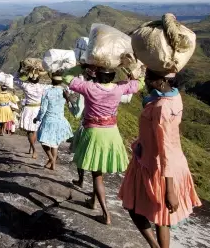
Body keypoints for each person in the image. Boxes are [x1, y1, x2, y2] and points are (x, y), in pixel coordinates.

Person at [118, 69, 201, 248]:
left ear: (163, 80)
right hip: (162, 163)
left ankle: (155, 246)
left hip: (156, 168)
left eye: (150, 77)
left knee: (133, 208)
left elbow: (165, 149)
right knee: (161, 217)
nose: (146, 80)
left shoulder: (161, 108)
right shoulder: (174, 97)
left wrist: (169, 189)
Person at [63, 66, 144, 225]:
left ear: (96, 74)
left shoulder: (88, 87)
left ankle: (106, 214)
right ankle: (93, 201)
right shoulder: (119, 88)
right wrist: (136, 72)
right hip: (112, 133)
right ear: (113, 75)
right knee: (99, 173)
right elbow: (139, 84)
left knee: (97, 176)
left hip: (94, 133)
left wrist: (83, 66)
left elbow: (66, 77)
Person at [65, 64, 97, 188]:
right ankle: (96, 192)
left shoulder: (86, 91)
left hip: (87, 127)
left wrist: (68, 100)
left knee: (80, 154)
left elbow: (77, 113)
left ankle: (81, 180)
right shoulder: (110, 89)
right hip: (107, 129)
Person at [33, 72, 73, 170]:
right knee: (54, 143)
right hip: (60, 120)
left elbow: (43, 109)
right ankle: (53, 165)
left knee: (44, 142)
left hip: (49, 120)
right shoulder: (65, 91)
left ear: (52, 81)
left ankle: (51, 159)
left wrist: (38, 118)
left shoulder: (47, 92)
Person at [14, 70, 51, 158]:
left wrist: (19, 71)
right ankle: (32, 147)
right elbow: (54, 85)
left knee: (30, 131)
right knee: (34, 130)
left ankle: (34, 149)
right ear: (38, 79)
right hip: (38, 109)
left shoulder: (26, 86)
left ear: (29, 78)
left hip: (28, 110)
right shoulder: (43, 87)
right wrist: (50, 73)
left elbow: (15, 79)